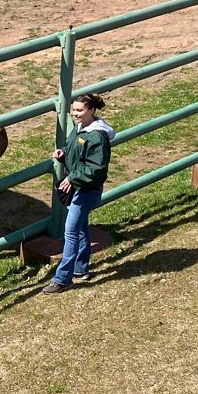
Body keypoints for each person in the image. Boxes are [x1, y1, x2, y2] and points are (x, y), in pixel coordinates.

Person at [43, 93, 114, 294]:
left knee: (71, 232)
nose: (76, 114)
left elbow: (96, 168)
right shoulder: (81, 129)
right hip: (79, 189)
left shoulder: (97, 136)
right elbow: (77, 153)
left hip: (86, 191)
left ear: (92, 110)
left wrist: (72, 178)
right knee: (81, 228)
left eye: (80, 110)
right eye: (74, 110)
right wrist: (64, 153)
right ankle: (80, 269)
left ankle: (63, 279)